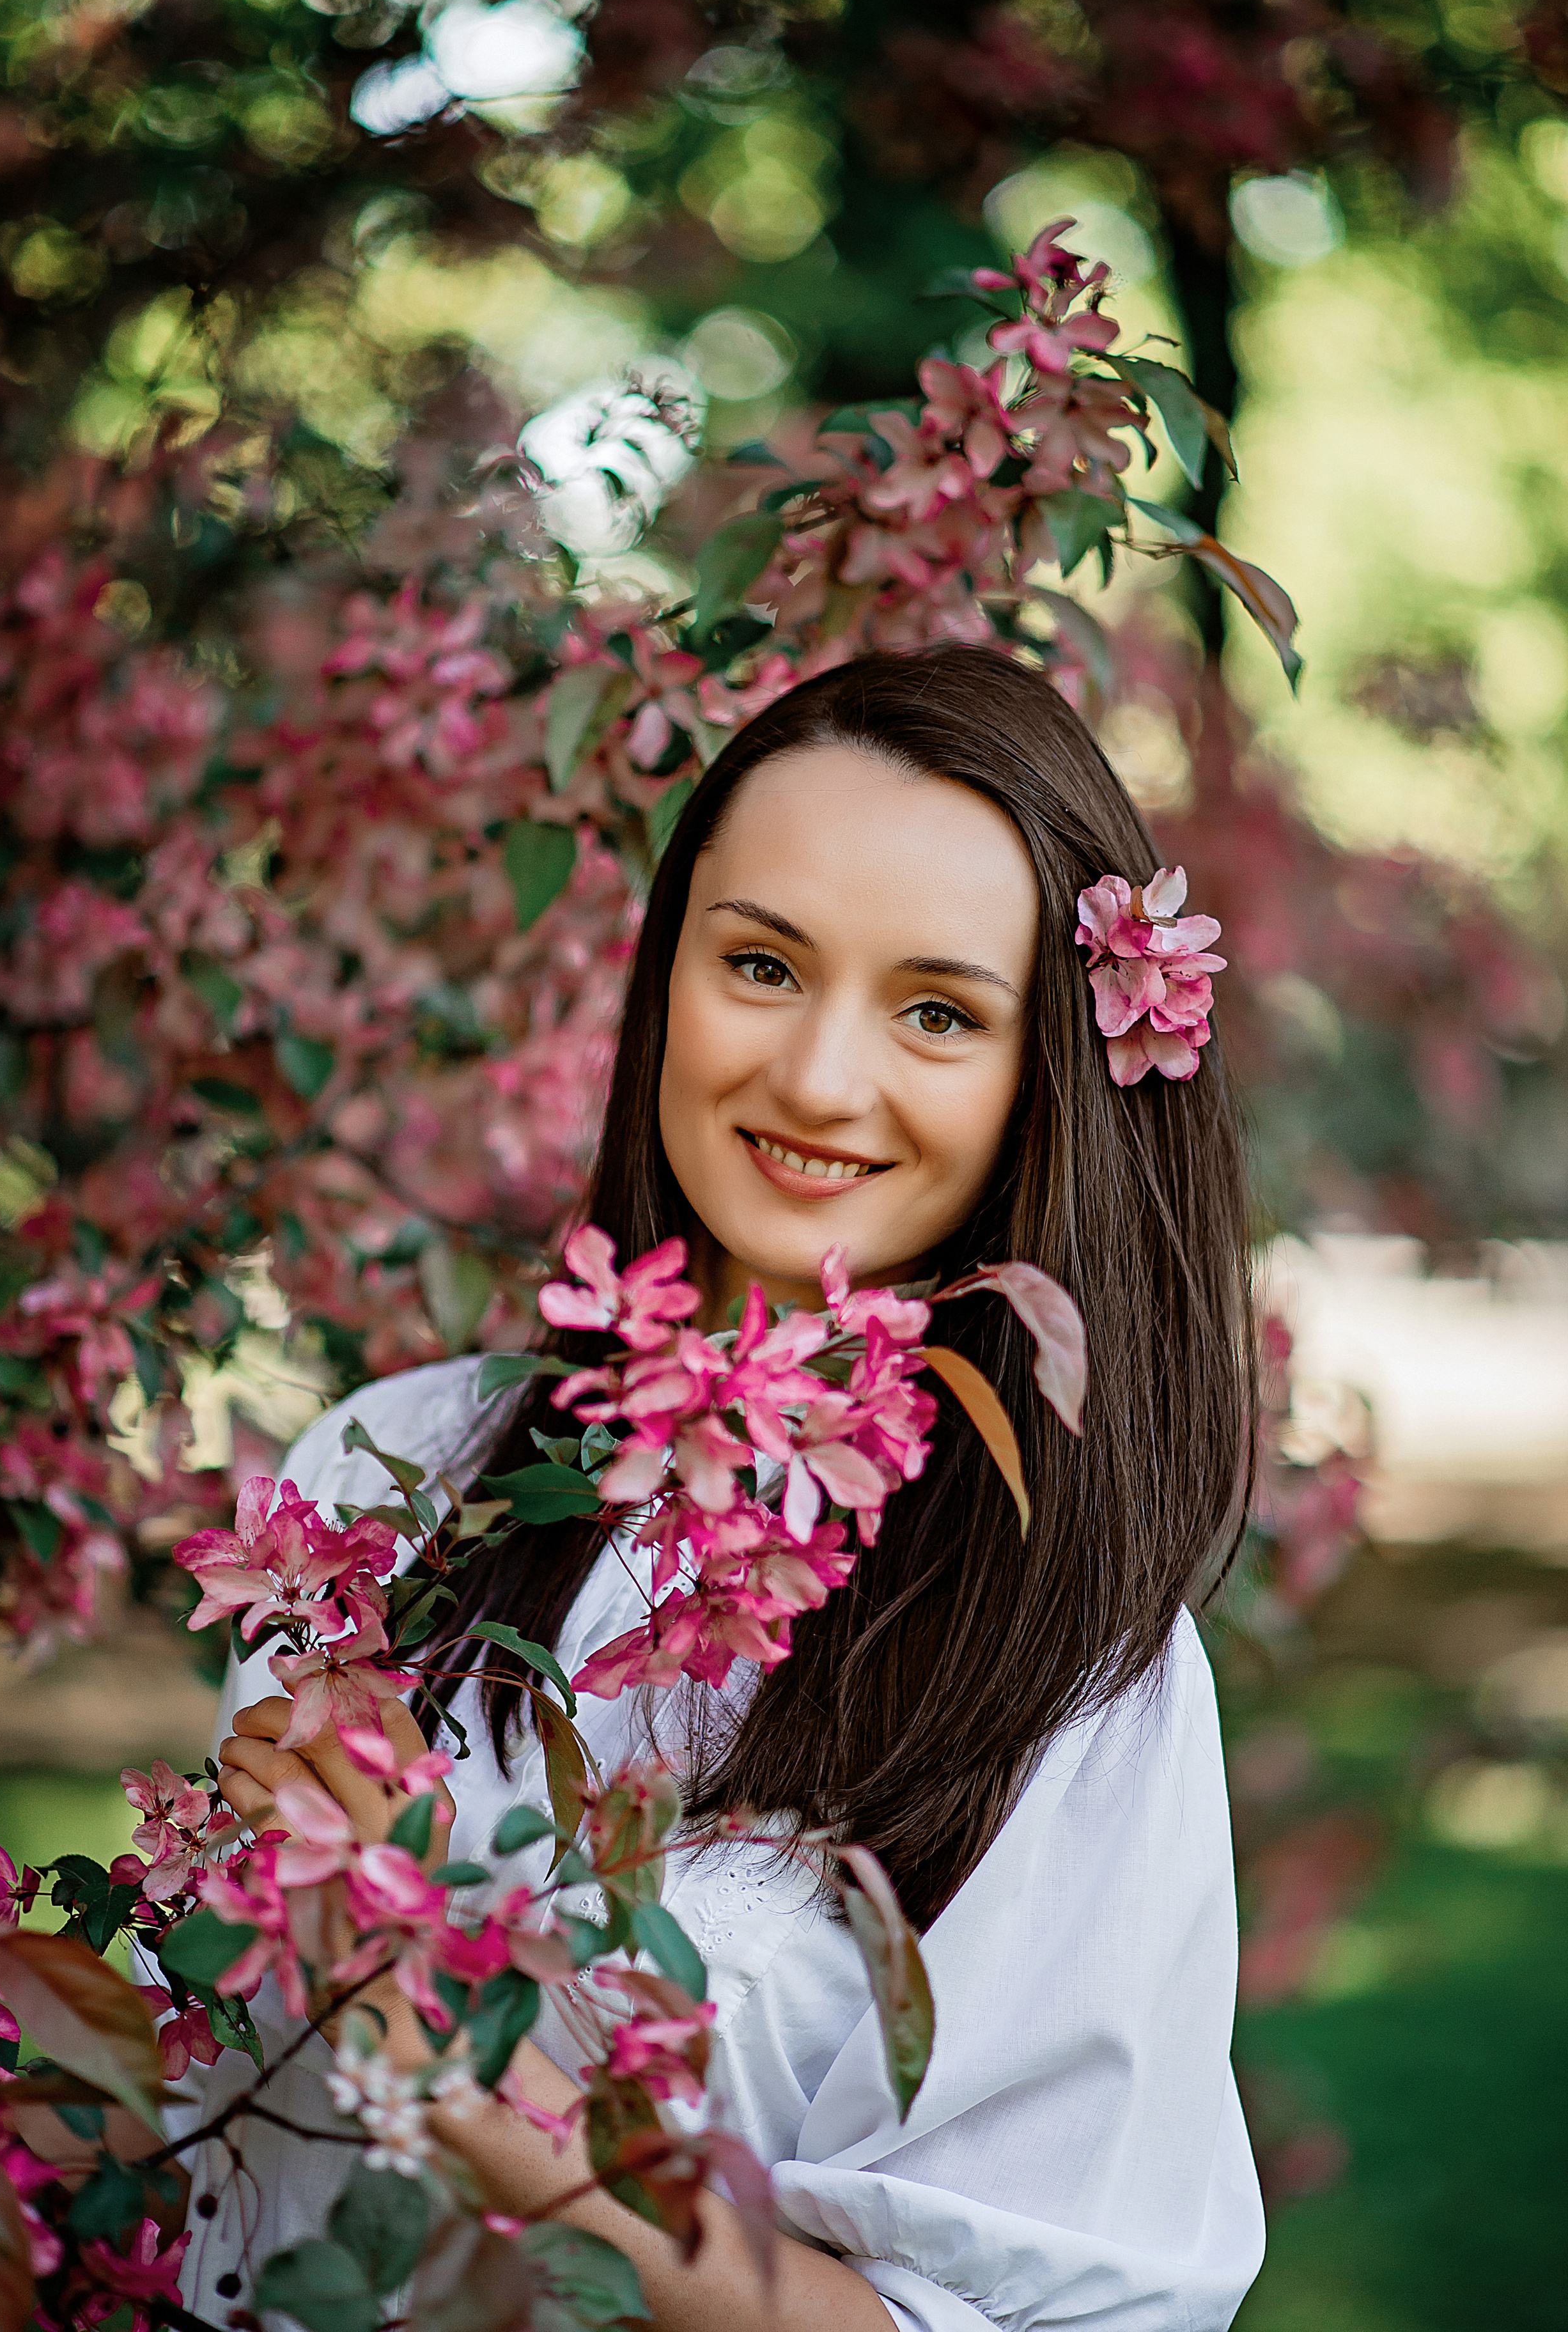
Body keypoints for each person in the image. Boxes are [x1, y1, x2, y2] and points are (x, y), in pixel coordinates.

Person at [166, 644, 1267, 2329]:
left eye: (937, 1010)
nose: (820, 1081)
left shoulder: (1080, 1682)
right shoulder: (391, 1479)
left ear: (1053, 1066)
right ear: (662, 977)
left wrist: (477, 2066)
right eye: (762, 963)